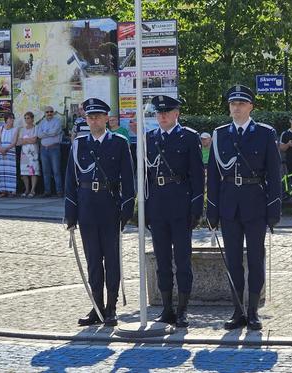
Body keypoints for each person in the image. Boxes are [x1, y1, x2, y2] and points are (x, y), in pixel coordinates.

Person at [206, 84, 281, 331]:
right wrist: (212, 210)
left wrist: (274, 209)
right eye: (232, 104)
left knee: (256, 259)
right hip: (229, 206)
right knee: (233, 260)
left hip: (256, 204)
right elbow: (214, 177)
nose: (236, 108)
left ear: (251, 107)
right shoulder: (220, 134)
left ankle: (253, 312)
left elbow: (273, 173)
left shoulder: (265, 133)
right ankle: (237, 310)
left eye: (241, 104)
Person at [64, 98, 135, 327]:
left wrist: (126, 210)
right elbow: (70, 182)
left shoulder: (119, 143)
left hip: (109, 206)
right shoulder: (79, 144)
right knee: (93, 261)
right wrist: (71, 214)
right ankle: (97, 307)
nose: (94, 121)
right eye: (90, 117)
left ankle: (111, 308)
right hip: (87, 207)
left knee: (112, 260)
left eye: (98, 116)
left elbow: (128, 180)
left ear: (107, 118)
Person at [145, 95, 204, 328]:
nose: (162, 116)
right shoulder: (150, 138)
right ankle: (167, 308)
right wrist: (146, 208)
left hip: (180, 204)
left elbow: (198, 176)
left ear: (176, 113)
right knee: (161, 260)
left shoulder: (189, 137)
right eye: (159, 113)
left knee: (182, 259)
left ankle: (182, 309)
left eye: (167, 112)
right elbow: (147, 177)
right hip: (158, 205)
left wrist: (196, 207)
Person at [37, 106, 63, 197]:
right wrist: (48, 133)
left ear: (53, 112)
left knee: (56, 171)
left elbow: (55, 132)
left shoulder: (58, 121)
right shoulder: (42, 122)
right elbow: (39, 135)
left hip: (54, 148)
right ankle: (47, 191)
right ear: (45, 113)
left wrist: (45, 133)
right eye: (47, 112)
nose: (49, 113)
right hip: (43, 149)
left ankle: (59, 192)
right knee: (45, 172)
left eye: (51, 111)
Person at [18, 111, 40, 197]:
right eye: (25, 118)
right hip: (24, 154)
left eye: (28, 118)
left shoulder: (36, 128)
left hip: (33, 153)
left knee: (33, 171)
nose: (27, 120)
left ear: (32, 119)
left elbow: (35, 140)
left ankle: (33, 190)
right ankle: (26, 189)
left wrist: (25, 140)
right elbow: (19, 142)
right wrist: (29, 140)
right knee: (24, 172)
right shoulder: (22, 129)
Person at [0, 113, 18, 197]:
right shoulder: (1, 128)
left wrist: (6, 149)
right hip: (1, 151)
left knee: (11, 171)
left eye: (13, 118)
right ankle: (3, 190)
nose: (12, 120)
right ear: (6, 119)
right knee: (2, 171)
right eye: (10, 118)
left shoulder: (15, 129)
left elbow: (14, 142)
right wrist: (0, 147)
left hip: (10, 151)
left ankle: (12, 191)